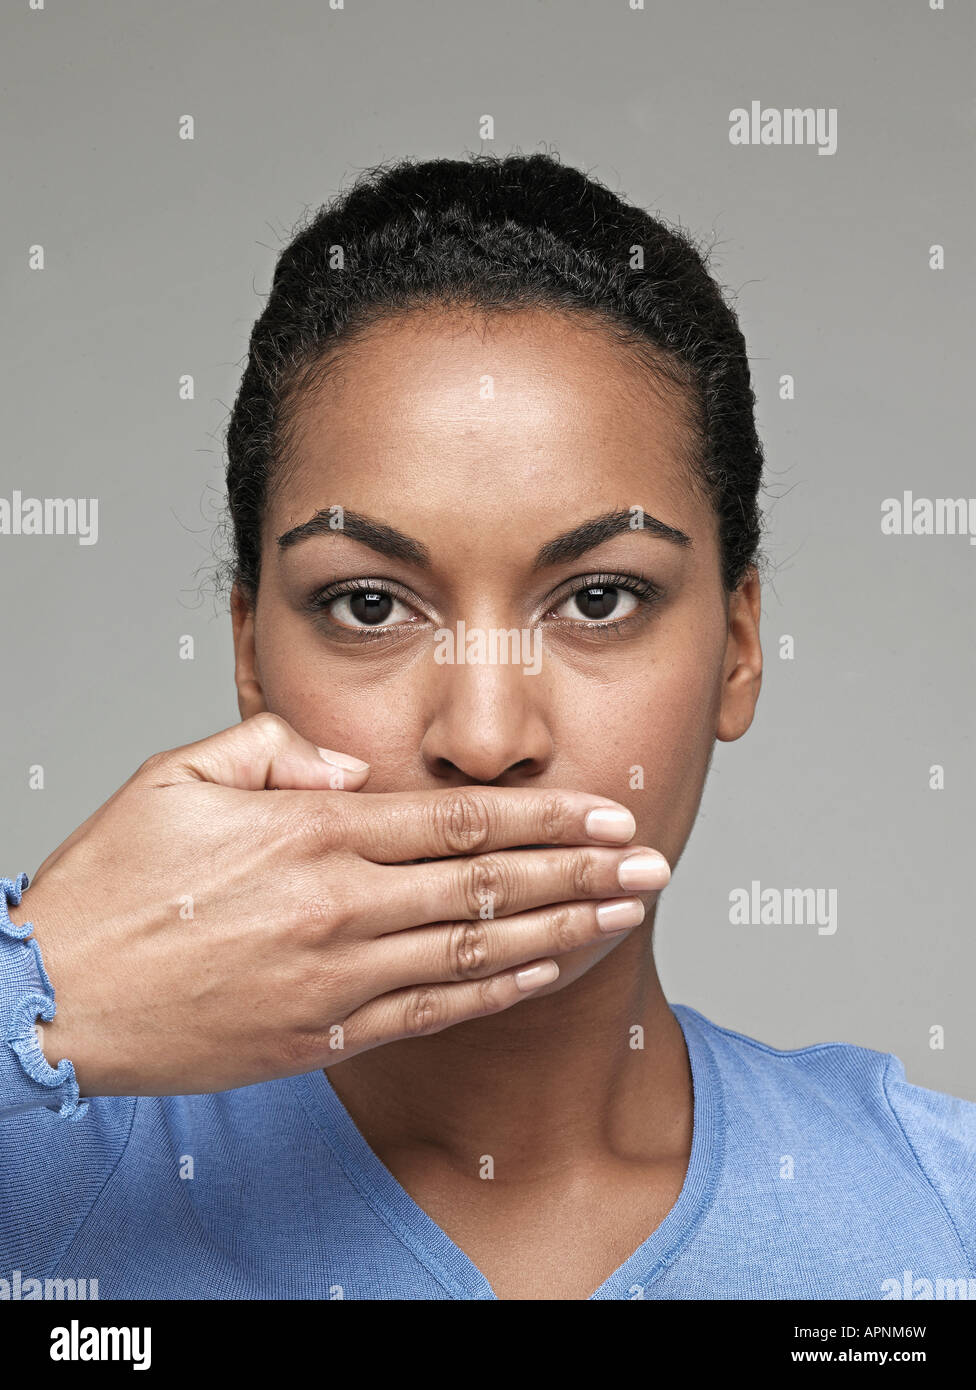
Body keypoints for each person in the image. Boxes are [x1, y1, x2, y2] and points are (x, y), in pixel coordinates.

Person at [1, 153, 973, 1302]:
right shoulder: (43, 1180)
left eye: (598, 598)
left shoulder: (936, 1219)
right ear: (251, 654)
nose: (483, 729)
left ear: (740, 645)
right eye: (369, 604)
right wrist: (34, 992)